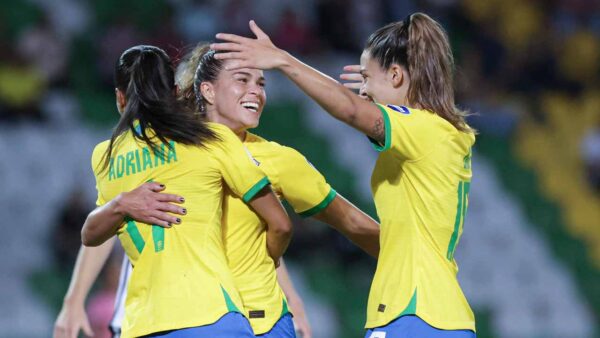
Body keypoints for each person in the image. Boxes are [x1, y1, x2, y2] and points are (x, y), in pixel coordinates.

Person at [54, 44, 380, 338]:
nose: (255, 92)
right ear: (206, 90)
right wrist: (74, 297)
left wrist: (412, 257)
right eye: (242, 80)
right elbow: (113, 221)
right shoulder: (170, 150)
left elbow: (346, 222)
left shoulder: (280, 160)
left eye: (261, 83)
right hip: (184, 314)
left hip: (258, 320)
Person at [211, 13, 477, 338]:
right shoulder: (436, 135)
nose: (362, 90)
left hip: (414, 313)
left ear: (395, 75)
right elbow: (385, 237)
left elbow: (350, 110)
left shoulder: (424, 128)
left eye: (366, 77)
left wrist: (284, 61)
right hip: (433, 314)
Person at [80, 45, 293, 338]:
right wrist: (267, 261)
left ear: (120, 97)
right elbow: (280, 223)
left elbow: (90, 234)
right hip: (213, 317)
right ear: (175, 90)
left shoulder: (105, 155)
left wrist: (121, 204)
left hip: (143, 324)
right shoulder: (211, 139)